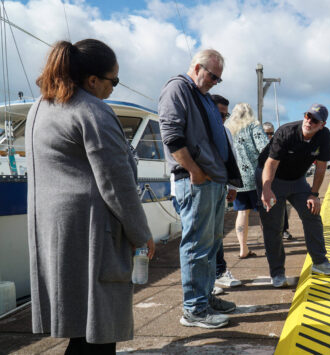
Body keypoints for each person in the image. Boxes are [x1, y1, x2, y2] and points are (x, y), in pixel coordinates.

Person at [25, 39, 155, 354]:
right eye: (114, 80)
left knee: (80, 330)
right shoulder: (94, 110)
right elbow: (116, 183)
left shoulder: (39, 108)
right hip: (92, 231)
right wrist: (142, 234)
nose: (114, 88)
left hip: (52, 231)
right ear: (93, 80)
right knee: (99, 330)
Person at [159, 49, 239, 329]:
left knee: (211, 244)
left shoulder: (202, 96)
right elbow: (171, 135)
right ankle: (194, 309)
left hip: (213, 181)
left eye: (219, 79)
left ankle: (204, 299)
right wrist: (195, 171)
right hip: (197, 180)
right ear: (196, 67)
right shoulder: (178, 89)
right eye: (212, 76)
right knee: (196, 245)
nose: (215, 82)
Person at [257, 104, 330, 288]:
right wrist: (266, 188)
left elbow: (320, 167)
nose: (309, 121)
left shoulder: (324, 135)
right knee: (274, 225)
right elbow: (270, 164)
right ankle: (277, 273)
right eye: (307, 116)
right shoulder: (286, 132)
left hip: (297, 178)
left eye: (315, 120)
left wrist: (314, 194)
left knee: (312, 212)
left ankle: (319, 262)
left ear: (322, 124)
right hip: (272, 177)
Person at [226, 103, 269, 258]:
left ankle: (243, 249)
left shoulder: (228, 129)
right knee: (263, 213)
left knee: (242, 213)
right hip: (256, 177)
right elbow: (264, 148)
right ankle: (269, 247)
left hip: (236, 180)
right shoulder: (253, 126)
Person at [210, 94, 242, 289]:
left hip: (217, 188)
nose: (223, 119)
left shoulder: (225, 132)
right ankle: (206, 281)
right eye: (220, 114)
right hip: (195, 189)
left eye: (226, 115)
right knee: (198, 239)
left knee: (216, 234)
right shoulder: (197, 130)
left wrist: (232, 186)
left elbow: (232, 157)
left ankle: (219, 272)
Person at [262, 122, 293, 241]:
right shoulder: (260, 145)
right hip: (266, 180)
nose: (269, 136)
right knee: (267, 207)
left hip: (279, 178)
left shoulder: (277, 143)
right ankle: (270, 234)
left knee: (281, 205)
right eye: (267, 133)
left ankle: (283, 229)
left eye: (271, 133)